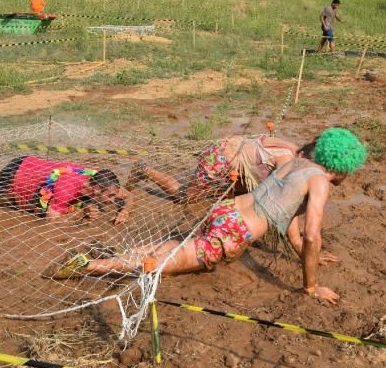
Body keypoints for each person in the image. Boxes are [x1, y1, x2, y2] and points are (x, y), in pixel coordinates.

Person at [53, 128, 367, 306]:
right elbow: (311, 234)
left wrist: (307, 253)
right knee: (164, 265)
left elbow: (291, 228)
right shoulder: (320, 182)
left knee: (175, 247)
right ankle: (90, 266)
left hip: (225, 210)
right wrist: (311, 287)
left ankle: (111, 256)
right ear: (343, 168)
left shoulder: (293, 164)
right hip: (234, 232)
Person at [0, 155, 132, 224]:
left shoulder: (99, 177)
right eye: (110, 196)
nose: (113, 200)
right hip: (17, 172)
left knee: (7, 204)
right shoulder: (67, 188)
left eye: (114, 195)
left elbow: (128, 196)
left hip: (33, 178)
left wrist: (125, 210)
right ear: (95, 189)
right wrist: (80, 213)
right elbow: (52, 221)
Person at [127, 133, 302, 204]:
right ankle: (144, 169)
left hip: (231, 151)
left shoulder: (294, 149)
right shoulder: (287, 160)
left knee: (240, 194)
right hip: (220, 160)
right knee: (184, 196)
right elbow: (277, 196)